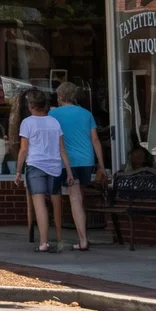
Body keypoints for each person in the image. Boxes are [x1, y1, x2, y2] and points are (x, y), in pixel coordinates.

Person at [15, 88, 72, 253]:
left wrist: (18, 170)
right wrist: (68, 171)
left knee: (39, 204)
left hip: (35, 165)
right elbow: (62, 150)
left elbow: (24, 150)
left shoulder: (27, 123)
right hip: (54, 166)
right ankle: (60, 238)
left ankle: (44, 242)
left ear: (31, 105)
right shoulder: (54, 122)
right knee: (56, 204)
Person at [48, 82, 103, 252]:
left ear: (60, 96)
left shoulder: (53, 114)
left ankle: (83, 240)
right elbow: (95, 140)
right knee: (79, 197)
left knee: (75, 198)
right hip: (86, 160)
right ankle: (83, 237)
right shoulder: (86, 114)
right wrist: (101, 164)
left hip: (67, 162)